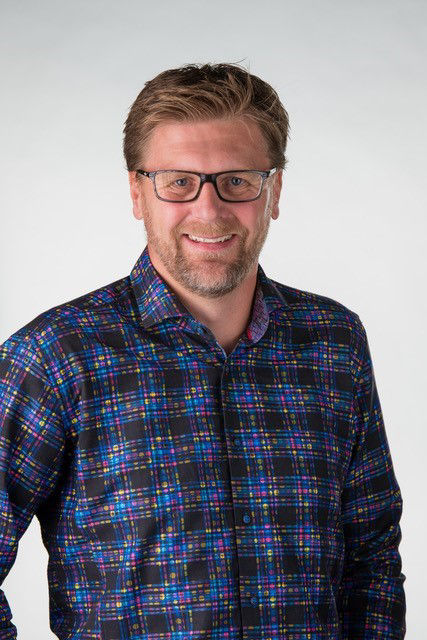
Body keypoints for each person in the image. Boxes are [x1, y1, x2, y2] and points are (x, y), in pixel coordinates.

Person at [0, 62, 406, 639]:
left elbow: (372, 554)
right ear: (138, 193)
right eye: (178, 182)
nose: (209, 210)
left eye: (237, 180)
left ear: (274, 192)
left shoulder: (334, 344)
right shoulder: (58, 356)